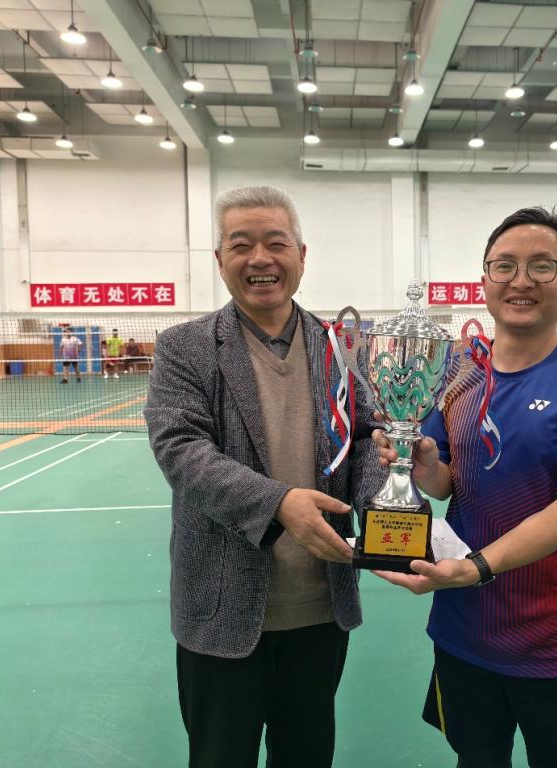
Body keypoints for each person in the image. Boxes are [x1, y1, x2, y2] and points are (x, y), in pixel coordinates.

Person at [373, 207, 557, 768]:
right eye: (505, 266)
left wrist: (475, 568)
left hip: (554, 643)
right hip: (462, 630)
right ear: (484, 282)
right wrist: (422, 465)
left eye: (542, 266)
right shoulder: (457, 374)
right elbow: (447, 482)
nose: (521, 280)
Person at [143, 185, 383, 768]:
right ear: (219, 259)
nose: (260, 259)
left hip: (320, 609)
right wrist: (278, 504)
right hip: (221, 611)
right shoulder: (185, 348)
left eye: (276, 243)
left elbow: (368, 438)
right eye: (241, 245)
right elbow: (181, 449)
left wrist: (387, 506)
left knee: (306, 755)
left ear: (301, 254)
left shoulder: (337, 346)